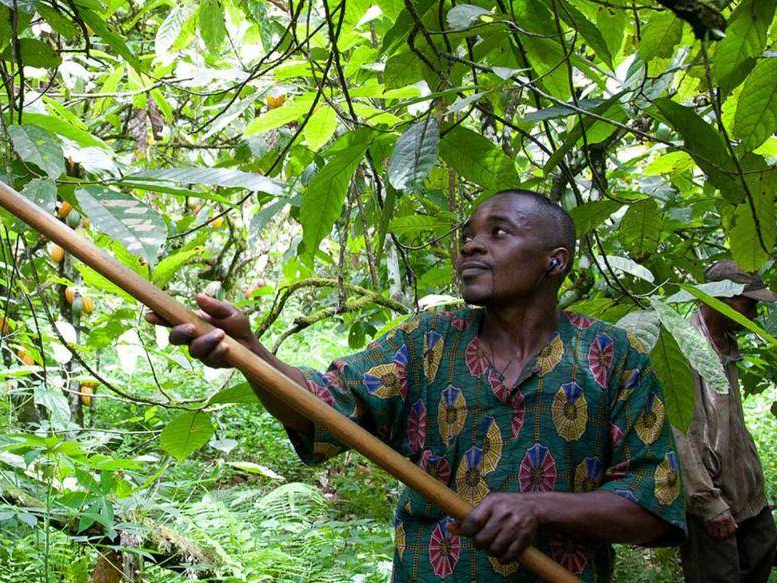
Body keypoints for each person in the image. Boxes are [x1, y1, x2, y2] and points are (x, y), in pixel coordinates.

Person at [149, 190, 685, 581]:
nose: (471, 247)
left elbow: (653, 506)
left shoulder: (613, 357)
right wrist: (249, 352)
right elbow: (325, 410)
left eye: (498, 233)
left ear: (555, 260)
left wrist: (536, 508)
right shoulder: (425, 341)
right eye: (468, 236)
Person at [678, 261, 777, 582]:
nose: (753, 314)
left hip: (745, 489)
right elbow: (681, 433)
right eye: (747, 304)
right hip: (711, 492)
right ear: (719, 298)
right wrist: (707, 502)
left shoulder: (726, 344)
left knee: (762, 551)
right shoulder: (685, 346)